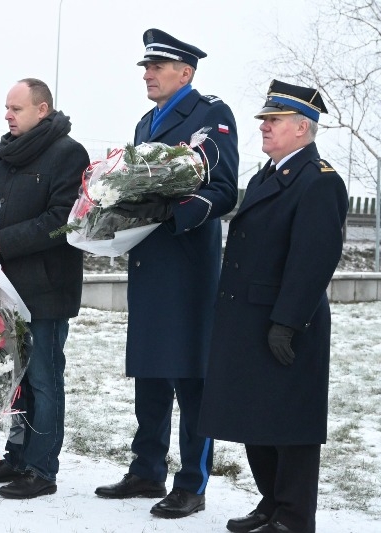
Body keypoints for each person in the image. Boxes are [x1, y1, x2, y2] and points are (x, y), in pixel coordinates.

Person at [94, 29, 239, 518]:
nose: (148, 74)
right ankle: (146, 469)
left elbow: (221, 189)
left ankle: (192, 483)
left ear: (186, 72)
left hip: (187, 266)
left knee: (189, 377)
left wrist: (173, 214)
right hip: (149, 261)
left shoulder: (210, 114)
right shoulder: (144, 121)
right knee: (150, 374)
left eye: (157, 67)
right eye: (145, 67)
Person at [199, 81, 347, 533]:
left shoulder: (319, 181)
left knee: (290, 425)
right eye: (264, 119)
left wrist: (287, 321)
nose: (263, 127)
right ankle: (270, 504)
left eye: (274, 121)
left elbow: (314, 259)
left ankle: (295, 518)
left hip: (285, 321)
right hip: (249, 317)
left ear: (302, 128)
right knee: (256, 416)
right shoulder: (268, 174)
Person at [0, 78, 89, 499]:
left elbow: (62, 219)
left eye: (16, 108)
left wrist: (3, 240)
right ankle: (16, 457)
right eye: (6, 108)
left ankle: (41, 468)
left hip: (47, 289)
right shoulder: (6, 156)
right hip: (6, 288)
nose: (7, 115)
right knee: (15, 380)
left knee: (44, 381)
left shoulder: (69, 154)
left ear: (43, 109)